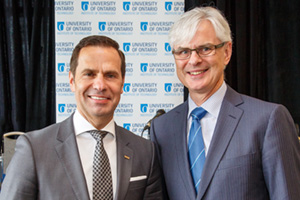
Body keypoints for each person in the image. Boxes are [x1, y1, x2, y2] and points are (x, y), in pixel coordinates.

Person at [150, 6, 300, 200]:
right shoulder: (162, 129)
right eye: (184, 51)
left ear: (227, 52)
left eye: (205, 49)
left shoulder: (268, 119)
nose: (194, 60)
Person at [0, 35, 164, 200]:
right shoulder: (34, 149)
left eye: (110, 75)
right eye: (89, 74)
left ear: (122, 84)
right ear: (72, 81)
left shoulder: (145, 152)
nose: (100, 85)